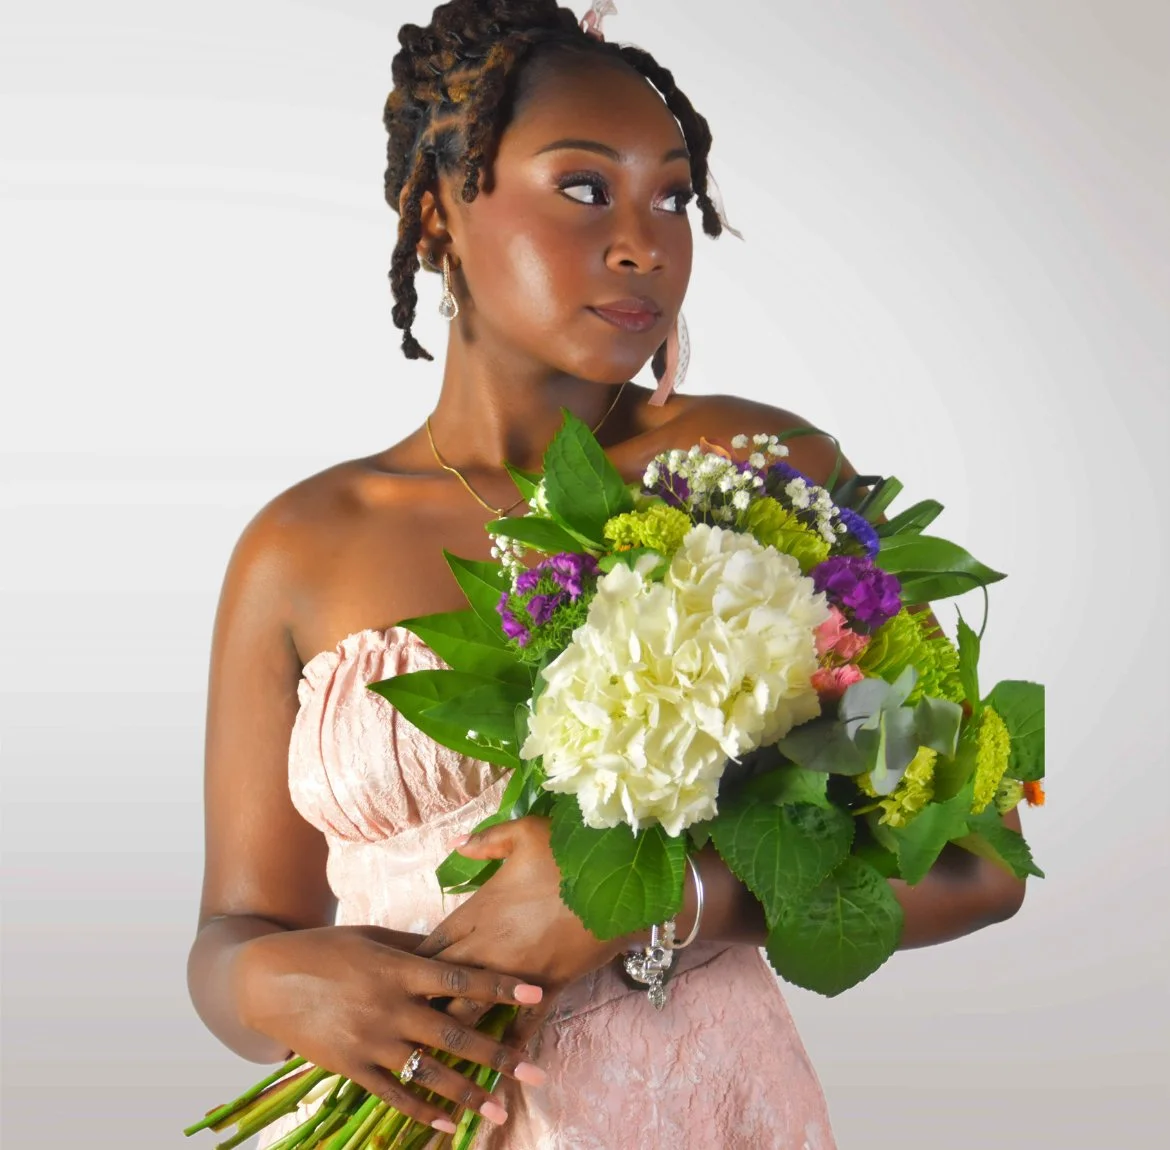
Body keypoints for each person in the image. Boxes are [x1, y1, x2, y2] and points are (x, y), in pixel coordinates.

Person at [186, 2, 1030, 1147]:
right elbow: (236, 931)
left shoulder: (766, 476)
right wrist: (281, 989)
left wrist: (659, 896)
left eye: (673, 197)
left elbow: (975, 861)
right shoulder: (300, 545)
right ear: (437, 212)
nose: (647, 241)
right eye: (585, 188)